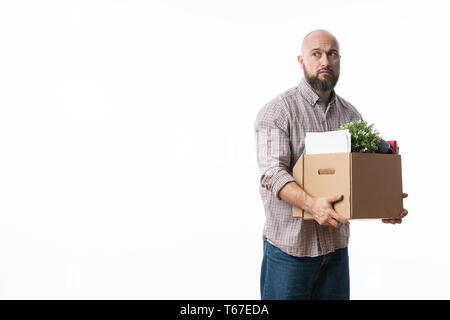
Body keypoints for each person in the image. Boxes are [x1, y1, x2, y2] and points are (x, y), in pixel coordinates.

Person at [254, 29, 408, 300]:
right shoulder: (278, 111)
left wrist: (386, 201)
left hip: (336, 253)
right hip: (289, 254)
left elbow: (362, 171)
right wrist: (313, 205)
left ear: (339, 60)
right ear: (301, 61)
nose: (325, 61)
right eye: (317, 54)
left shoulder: (351, 114)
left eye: (332, 54)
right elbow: (272, 174)